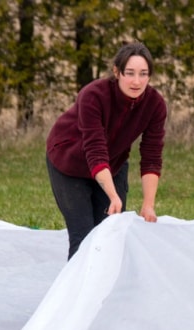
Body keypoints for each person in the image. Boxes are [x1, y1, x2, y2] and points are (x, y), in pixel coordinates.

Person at [46, 42, 167, 259]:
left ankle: (108, 291)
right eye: (129, 73)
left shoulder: (155, 104)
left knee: (110, 234)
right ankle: (79, 292)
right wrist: (113, 195)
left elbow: (151, 156)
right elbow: (95, 149)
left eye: (143, 74)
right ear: (117, 72)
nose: (137, 81)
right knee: (83, 237)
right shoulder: (93, 95)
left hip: (113, 163)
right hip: (70, 162)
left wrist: (148, 205)